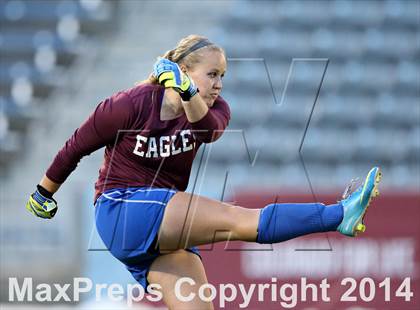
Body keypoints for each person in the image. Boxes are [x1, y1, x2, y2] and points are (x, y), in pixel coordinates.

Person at [25, 34, 382, 309]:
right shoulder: (128, 105)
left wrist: (187, 90)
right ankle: (337, 215)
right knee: (242, 221)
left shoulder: (217, 109)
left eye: (222, 75)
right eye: (212, 74)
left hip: (156, 226)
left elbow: (205, 130)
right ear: (183, 70)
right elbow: (76, 146)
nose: (219, 84)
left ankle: (338, 216)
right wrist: (43, 193)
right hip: (121, 208)